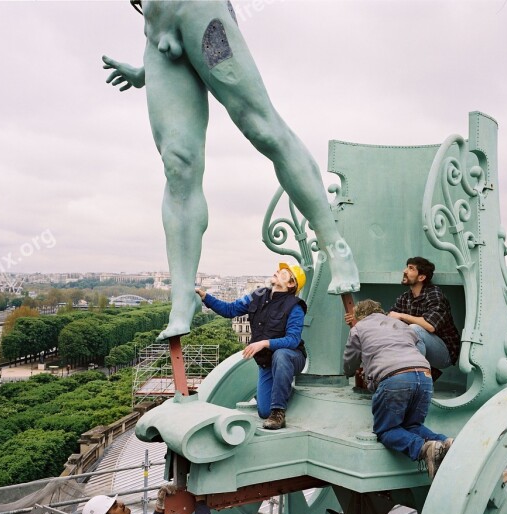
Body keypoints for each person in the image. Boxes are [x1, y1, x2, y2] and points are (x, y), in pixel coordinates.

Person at [102, 0, 359, 341]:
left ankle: (334, 244)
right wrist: (143, 72)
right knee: (178, 165)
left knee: (262, 128)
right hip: (158, 40)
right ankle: (182, 297)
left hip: (197, 10)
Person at [343, 300, 453, 479]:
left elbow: (350, 362)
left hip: (394, 379)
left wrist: (351, 371)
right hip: (424, 376)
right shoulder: (401, 325)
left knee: (386, 430)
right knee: (412, 425)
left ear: (360, 316)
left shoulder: (358, 328)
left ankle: (423, 449)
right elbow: (418, 347)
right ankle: (444, 443)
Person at [197, 263, 307, 429]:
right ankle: (281, 389)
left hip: (292, 357)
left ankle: (278, 413)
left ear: (291, 284)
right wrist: (205, 297)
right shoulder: (258, 295)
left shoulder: (295, 306)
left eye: (284, 273)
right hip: (266, 362)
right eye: (278, 270)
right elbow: (230, 310)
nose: (277, 272)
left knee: (281, 354)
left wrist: (264, 343)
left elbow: (292, 340)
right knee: (263, 411)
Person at [389, 257, 460, 376]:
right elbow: (390, 318)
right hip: (423, 348)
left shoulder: (434, 294)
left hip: (445, 353)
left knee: (415, 329)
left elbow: (430, 326)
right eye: (407, 267)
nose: (405, 271)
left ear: (421, 277)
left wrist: (401, 315)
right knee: (392, 331)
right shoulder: (405, 297)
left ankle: (416, 380)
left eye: (411, 269)